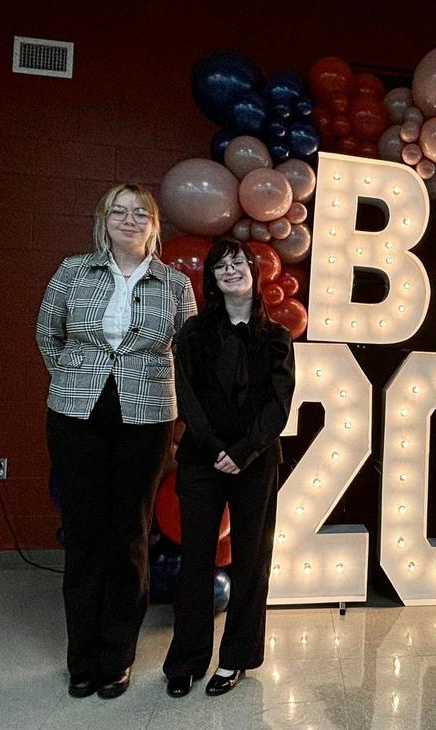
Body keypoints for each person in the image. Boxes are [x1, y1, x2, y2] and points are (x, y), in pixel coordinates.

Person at [37, 183, 196, 699]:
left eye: (140, 213)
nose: (129, 220)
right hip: (76, 412)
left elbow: (187, 352)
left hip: (145, 416)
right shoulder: (71, 270)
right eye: (118, 211)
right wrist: (69, 374)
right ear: (104, 220)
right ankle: (82, 658)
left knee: (129, 533)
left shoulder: (174, 286)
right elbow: (48, 332)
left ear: (153, 226)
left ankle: (117, 657)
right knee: (84, 533)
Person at [163, 238, 293, 698]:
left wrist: (243, 452)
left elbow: (279, 406)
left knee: (252, 563)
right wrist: (217, 447)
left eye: (238, 262)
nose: (231, 269)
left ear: (254, 273)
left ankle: (235, 659)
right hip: (202, 458)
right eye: (221, 265)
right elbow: (188, 400)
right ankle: (187, 660)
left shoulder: (276, 337)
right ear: (212, 279)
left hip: (256, 463)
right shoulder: (193, 334)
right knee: (195, 560)